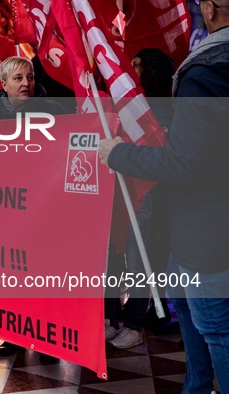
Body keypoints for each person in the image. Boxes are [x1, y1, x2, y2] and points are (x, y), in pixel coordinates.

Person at [98, 1, 229, 391]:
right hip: (197, 230)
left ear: (209, 9)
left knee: (215, 330)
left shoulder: (205, 73)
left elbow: (184, 163)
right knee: (187, 308)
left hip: (206, 231)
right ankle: (196, 383)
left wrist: (117, 154)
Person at [0, 56, 62, 358]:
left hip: (43, 208)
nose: (26, 84)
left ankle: (46, 336)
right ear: (3, 84)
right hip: (4, 210)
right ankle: (15, 334)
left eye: (29, 77)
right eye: (18, 78)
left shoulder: (55, 112)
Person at [106, 48, 175, 349]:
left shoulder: (165, 106)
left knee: (140, 258)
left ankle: (135, 322)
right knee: (117, 254)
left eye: (136, 66)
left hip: (147, 191)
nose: (130, 71)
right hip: (122, 189)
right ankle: (115, 316)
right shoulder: (127, 103)